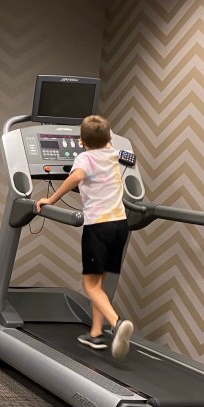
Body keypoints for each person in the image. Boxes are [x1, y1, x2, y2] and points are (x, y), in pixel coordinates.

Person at [36, 114, 134, 359]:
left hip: (98, 227)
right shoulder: (113, 153)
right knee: (99, 283)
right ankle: (95, 333)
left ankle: (117, 323)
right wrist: (105, 137)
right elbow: (110, 144)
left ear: (82, 141)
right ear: (109, 138)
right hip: (120, 225)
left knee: (89, 285)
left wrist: (51, 199)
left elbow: (78, 176)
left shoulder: (84, 158)